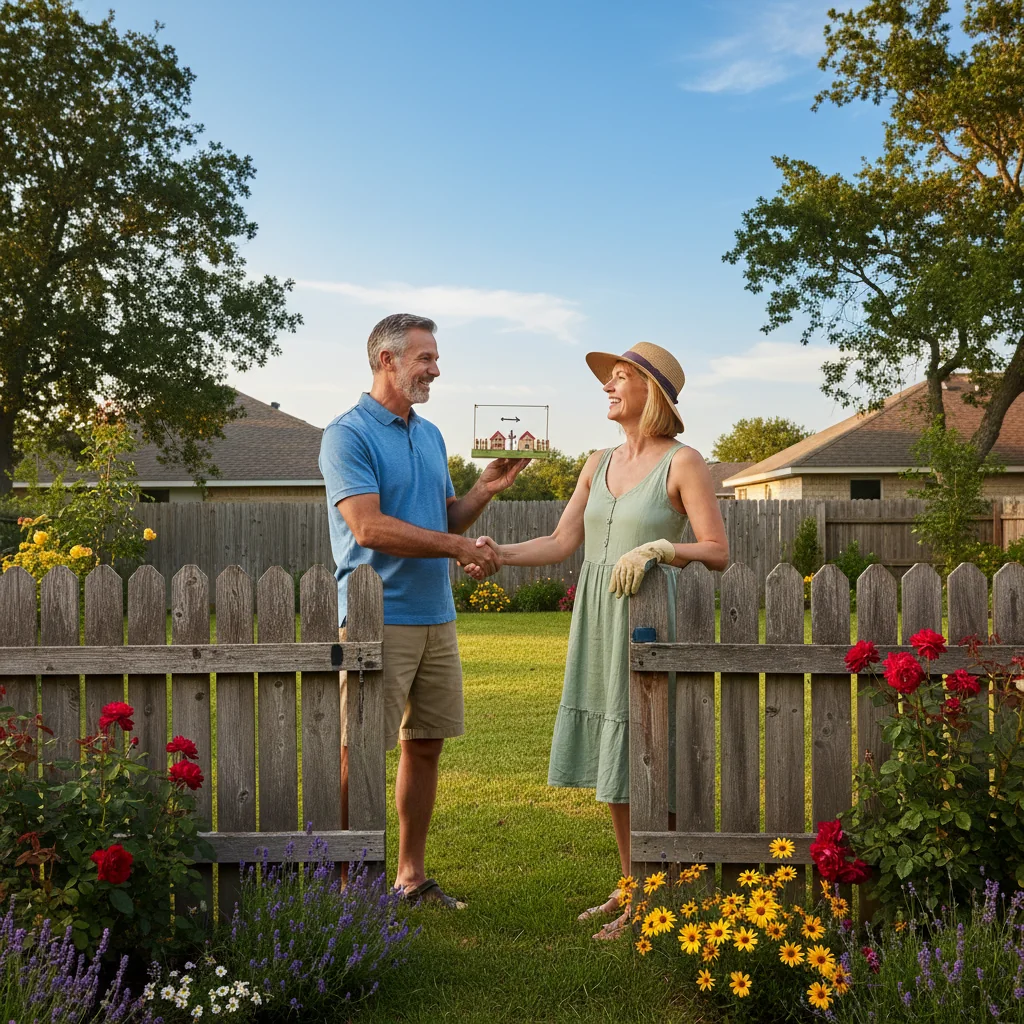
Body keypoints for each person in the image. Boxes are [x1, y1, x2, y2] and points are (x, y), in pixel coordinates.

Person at [466, 342, 728, 938]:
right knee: (616, 758)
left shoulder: (684, 463)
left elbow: (717, 550)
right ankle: (632, 883)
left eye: (620, 379)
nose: (607, 388)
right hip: (596, 618)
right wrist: (496, 555)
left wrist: (662, 547)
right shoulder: (594, 461)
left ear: (651, 392)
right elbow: (562, 543)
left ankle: (658, 891)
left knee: (649, 752)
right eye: (607, 380)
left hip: (648, 622)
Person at [318, 313, 527, 909]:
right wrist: (459, 548)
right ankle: (348, 883)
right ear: (387, 360)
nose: (436, 368)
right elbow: (369, 525)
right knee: (358, 751)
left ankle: (410, 877)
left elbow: (444, 520)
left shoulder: (431, 434)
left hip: (436, 613)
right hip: (377, 615)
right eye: (425, 358)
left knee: (426, 744)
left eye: (435, 358)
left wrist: (483, 491)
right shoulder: (347, 434)